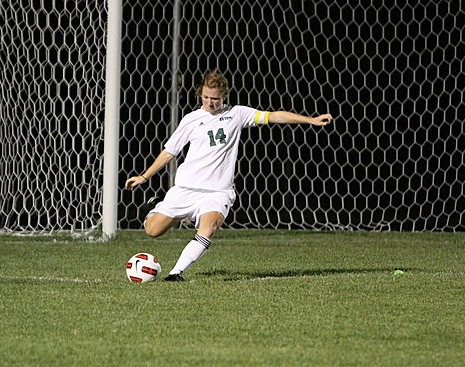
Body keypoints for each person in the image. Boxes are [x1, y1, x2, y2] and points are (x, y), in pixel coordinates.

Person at [125, 70, 333, 281]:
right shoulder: (191, 120)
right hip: (186, 189)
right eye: (205, 97)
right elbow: (170, 151)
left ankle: (175, 273)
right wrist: (144, 177)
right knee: (153, 231)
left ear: (224, 96)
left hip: (217, 192)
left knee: (210, 227)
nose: (209, 102)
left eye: (214, 98)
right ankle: (156, 207)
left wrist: (311, 120)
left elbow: (274, 116)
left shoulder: (237, 114)